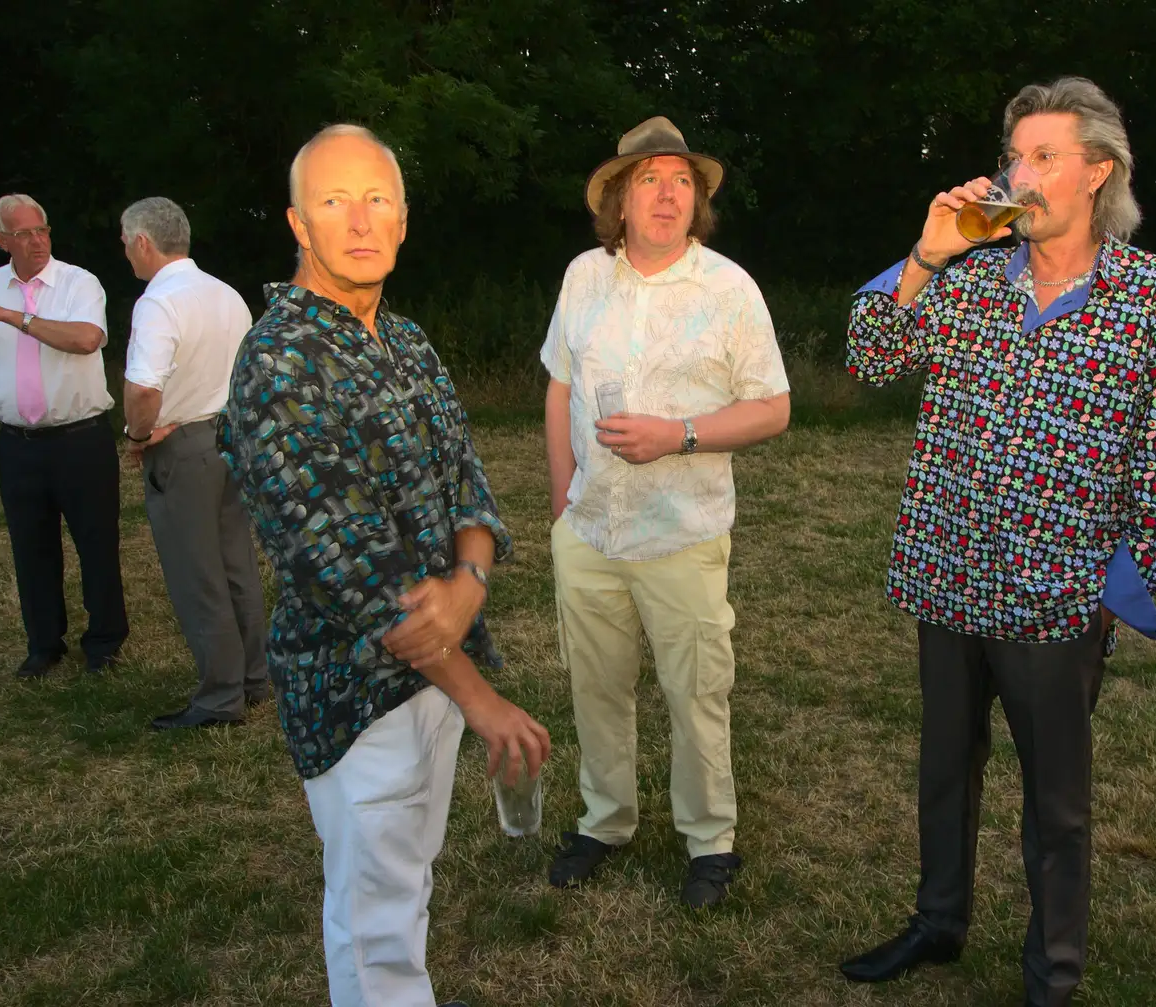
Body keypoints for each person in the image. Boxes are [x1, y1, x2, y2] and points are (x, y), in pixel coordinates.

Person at [840, 77, 1156, 1007]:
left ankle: (1053, 971)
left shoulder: (1155, 298)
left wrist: (1111, 596)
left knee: (1056, 804)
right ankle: (938, 921)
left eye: (1045, 157)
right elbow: (868, 354)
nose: (1021, 175)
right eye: (1016, 157)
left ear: (1098, 172)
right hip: (947, 575)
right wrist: (924, 254)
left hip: (1059, 599)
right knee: (943, 770)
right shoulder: (964, 283)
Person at [218, 123, 549, 1007]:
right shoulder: (279, 364)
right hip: (355, 693)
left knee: (394, 892)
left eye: (378, 200)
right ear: (298, 221)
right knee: (379, 929)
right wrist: (482, 698)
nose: (359, 220)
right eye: (334, 200)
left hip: (438, 674)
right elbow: (351, 573)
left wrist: (466, 585)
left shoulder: (402, 338)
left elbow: (469, 481)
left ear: (403, 221)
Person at [541, 115, 791, 909]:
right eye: (649, 179)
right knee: (597, 686)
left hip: (681, 530)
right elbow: (559, 385)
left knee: (696, 690)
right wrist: (561, 502)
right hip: (589, 530)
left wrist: (679, 434)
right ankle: (605, 820)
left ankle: (710, 839)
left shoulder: (728, 289)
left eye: (682, 180)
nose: (669, 193)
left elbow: (775, 407)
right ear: (617, 200)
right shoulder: (584, 277)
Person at [0, 194, 128, 678]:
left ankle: (105, 642)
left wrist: (12, 317)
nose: (37, 241)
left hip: (80, 438)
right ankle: (44, 643)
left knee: (96, 542)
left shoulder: (77, 283)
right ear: (1, 240)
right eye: (23, 233)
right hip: (18, 443)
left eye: (42, 229)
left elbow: (86, 339)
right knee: (31, 547)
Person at [118, 196, 268, 730]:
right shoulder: (226, 295)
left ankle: (219, 698)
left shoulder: (159, 302)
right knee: (236, 566)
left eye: (125, 243)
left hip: (183, 446)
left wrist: (138, 434)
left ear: (143, 241)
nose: (126, 254)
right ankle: (254, 677)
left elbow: (142, 388)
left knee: (195, 572)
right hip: (232, 439)